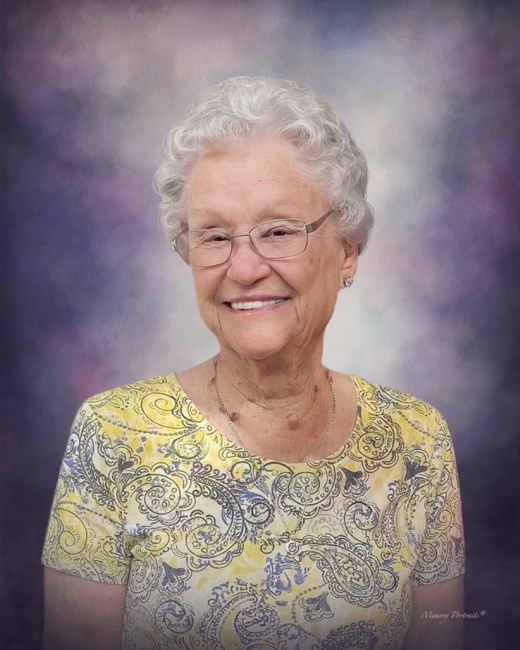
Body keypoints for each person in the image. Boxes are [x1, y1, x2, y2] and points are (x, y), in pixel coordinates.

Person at [42, 76, 465, 650]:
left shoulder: (418, 441)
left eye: (278, 231)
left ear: (347, 251)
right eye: (215, 237)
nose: (243, 269)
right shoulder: (113, 436)